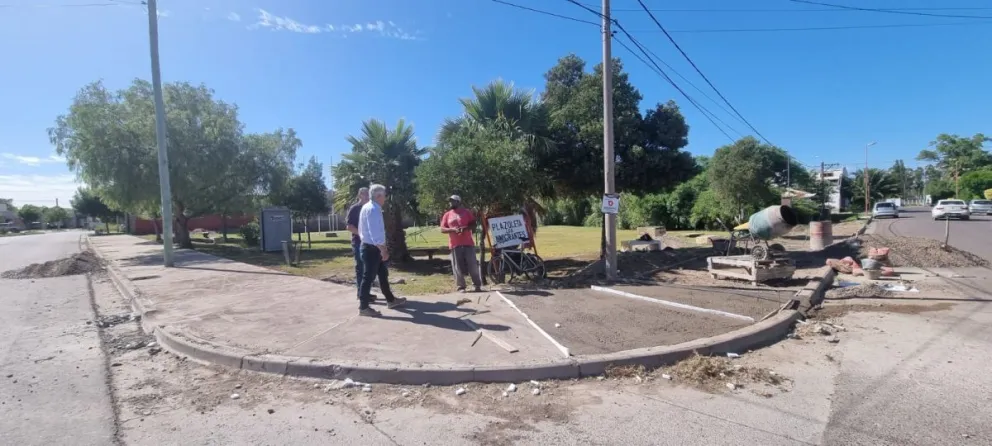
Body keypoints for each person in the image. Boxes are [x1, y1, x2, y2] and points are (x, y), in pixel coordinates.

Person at [357, 184, 407, 317]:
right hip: (373, 248)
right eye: (384, 195)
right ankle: (363, 307)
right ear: (378, 196)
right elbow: (375, 233)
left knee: (383, 274)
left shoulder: (367, 207)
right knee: (368, 278)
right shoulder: (373, 209)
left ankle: (391, 300)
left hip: (370, 247)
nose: (385, 198)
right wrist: (383, 250)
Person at [440, 195, 482, 292]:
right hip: (455, 244)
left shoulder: (466, 212)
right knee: (457, 266)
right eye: (450, 201)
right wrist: (452, 229)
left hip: (468, 243)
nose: (451, 203)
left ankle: (477, 285)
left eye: (453, 201)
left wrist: (465, 228)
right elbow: (442, 229)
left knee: (472, 265)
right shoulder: (447, 214)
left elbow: (473, 224)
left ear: (459, 202)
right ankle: (461, 286)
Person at [346, 187, 376, 302]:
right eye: (364, 194)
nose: (367, 196)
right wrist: (362, 235)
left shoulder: (370, 208)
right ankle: (361, 294)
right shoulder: (355, 208)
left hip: (370, 243)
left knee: (369, 269)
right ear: (359, 196)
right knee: (361, 268)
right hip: (358, 243)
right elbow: (349, 226)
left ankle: (365, 293)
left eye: (368, 194)